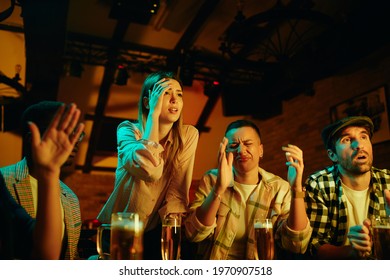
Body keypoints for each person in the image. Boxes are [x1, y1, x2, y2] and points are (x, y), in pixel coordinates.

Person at [97, 71, 199, 259]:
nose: (174, 99)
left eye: (179, 94)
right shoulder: (128, 130)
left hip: (155, 230)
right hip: (120, 229)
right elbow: (149, 170)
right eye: (165, 93)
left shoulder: (188, 135)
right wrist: (153, 114)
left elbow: (177, 190)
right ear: (147, 102)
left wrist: (172, 235)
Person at [184, 119, 312, 259]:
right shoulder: (211, 179)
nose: (241, 150)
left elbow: (297, 244)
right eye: (234, 145)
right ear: (226, 152)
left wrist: (296, 189)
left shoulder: (279, 187)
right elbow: (193, 234)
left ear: (260, 150)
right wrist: (218, 189)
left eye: (248, 144)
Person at [0, 101, 84, 260]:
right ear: (32, 138)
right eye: (62, 132)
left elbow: (67, 256)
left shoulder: (70, 198)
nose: (73, 142)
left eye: (77, 135)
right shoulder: (4, 181)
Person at [305, 116, 390, 259]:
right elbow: (315, 245)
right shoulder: (319, 184)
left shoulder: (388, 181)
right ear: (333, 155)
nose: (359, 145)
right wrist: (351, 252)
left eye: (364, 137)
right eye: (347, 139)